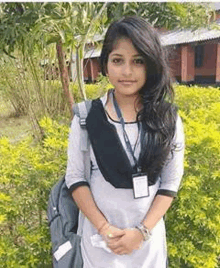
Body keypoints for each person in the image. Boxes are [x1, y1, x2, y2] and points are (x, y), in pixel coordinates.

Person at [65, 16, 184, 268]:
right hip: (100, 244)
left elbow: (170, 181)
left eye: (138, 61)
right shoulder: (87, 118)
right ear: (106, 64)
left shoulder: (167, 119)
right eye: (118, 60)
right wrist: (105, 228)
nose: (127, 71)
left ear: (150, 65)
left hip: (148, 246)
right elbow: (76, 178)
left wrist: (141, 232)